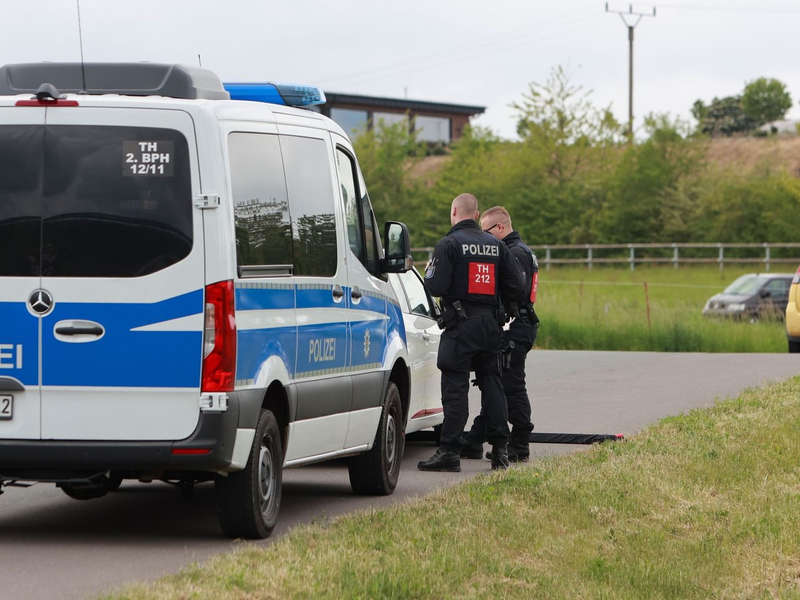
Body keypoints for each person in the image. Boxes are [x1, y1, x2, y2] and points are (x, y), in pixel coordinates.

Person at [417, 194, 523, 472]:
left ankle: (450, 451)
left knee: (455, 388)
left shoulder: (448, 244)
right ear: (476, 215)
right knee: (492, 385)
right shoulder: (497, 246)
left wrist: (430, 273)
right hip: (490, 326)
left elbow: (436, 286)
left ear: (454, 212)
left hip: (460, 326)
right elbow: (515, 286)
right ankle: (500, 450)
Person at [461, 206, 539, 463]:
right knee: (496, 383)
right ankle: (475, 438)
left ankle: (519, 442)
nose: (483, 236)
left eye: (486, 231)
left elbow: (512, 290)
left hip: (515, 326)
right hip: (517, 324)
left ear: (501, 228)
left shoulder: (514, 252)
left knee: (511, 384)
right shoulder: (519, 250)